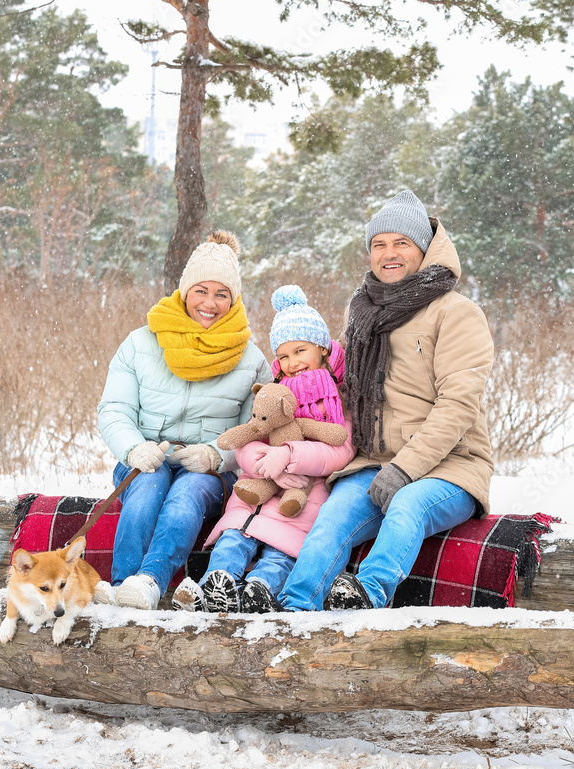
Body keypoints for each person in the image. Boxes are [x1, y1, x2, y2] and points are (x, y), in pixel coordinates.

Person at [277, 189, 495, 611]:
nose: (388, 253)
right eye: (379, 244)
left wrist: (405, 469)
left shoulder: (456, 312)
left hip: (450, 466)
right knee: (330, 523)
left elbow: (458, 407)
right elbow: (335, 385)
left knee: (407, 506)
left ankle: (366, 597)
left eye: (401, 243)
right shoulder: (361, 312)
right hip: (371, 462)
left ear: (424, 250)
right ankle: (293, 611)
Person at [97, 232, 272, 610]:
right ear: (184, 291)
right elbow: (114, 409)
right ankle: (119, 583)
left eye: (222, 294)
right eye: (201, 291)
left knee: (186, 496)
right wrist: (133, 447)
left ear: (235, 298)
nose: (210, 303)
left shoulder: (252, 359)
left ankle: (149, 581)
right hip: (147, 456)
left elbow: (258, 427)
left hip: (207, 471)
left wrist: (216, 456)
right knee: (147, 488)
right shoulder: (141, 343)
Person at [171, 285, 356, 614]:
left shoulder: (339, 398)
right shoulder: (273, 391)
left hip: (301, 499)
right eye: (284, 355)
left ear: (323, 348)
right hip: (254, 494)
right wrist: (261, 462)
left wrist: (288, 456)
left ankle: (262, 588)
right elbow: (249, 435)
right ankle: (217, 583)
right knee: (233, 538)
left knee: (280, 552)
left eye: (301, 351)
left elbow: (339, 450)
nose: (292, 362)